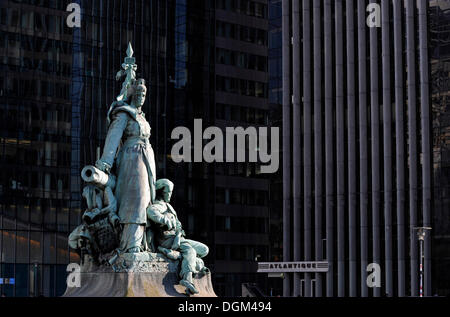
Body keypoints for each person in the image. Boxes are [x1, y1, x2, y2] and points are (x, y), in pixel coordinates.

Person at [95, 78, 156, 253]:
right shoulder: (124, 113)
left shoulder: (141, 117)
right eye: (138, 93)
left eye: (143, 94)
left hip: (146, 159)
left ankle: (144, 242)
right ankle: (131, 244)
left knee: (146, 200)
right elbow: (113, 137)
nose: (141, 96)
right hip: (132, 160)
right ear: (131, 95)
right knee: (134, 201)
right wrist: (105, 162)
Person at [147, 179, 209, 295]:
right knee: (190, 250)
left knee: (204, 250)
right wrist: (166, 221)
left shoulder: (169, 206)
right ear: (161, 192)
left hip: (178, 238)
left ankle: (176, 255)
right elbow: (151, 212)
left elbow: (179, 225)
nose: (170, 195)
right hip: (167, 239)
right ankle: (187, 278)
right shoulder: (158, 205)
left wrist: (178, 231)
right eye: (168, 192)